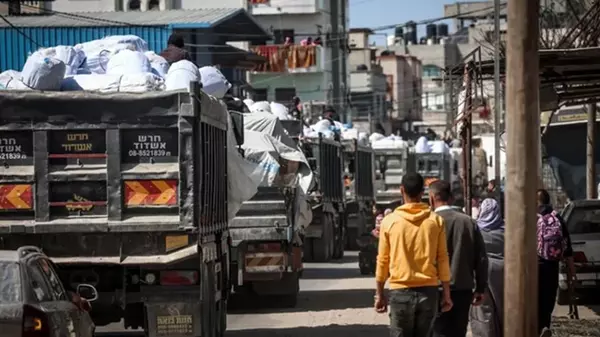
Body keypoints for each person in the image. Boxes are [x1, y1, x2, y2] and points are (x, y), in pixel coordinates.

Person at [375, 172, 453, 337]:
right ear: (422, 192)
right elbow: (442, 258)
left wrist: (380, 294)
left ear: (401, 190)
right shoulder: (435, 221)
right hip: (429, 292)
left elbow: (383, 260)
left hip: (400, 292)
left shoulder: (390, 222)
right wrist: (446, 293)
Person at [430, 180, 488, 337]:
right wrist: (481, 287)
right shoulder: (468, 222)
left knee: (437, 331)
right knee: (458, 332)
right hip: (463, 288)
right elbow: (481, 257)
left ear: (432, 198)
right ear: (451, 198)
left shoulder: (428, 222)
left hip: (434, 288)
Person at [537, 189, 575, 337]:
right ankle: (545, 325)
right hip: (552, 263)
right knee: (549, 296)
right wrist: (572, 270)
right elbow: (567, 245)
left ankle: (536, 326)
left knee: (535, 297)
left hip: (535, 264)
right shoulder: (557, 217)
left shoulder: (532, 217)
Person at [470, 198, 505, 337]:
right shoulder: (506, 229)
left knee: (484, 309)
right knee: (502, 307)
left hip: (482, 271)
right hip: (504, 271)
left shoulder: (476, 229)